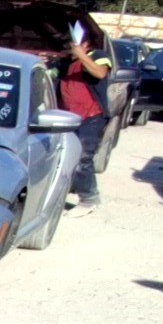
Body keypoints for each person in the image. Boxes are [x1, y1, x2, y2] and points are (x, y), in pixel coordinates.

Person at [59, 34, 111, 215]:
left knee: (82, 159)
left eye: (75, 42)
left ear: (86, 43)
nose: (71, 46)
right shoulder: (65, 62)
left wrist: (82, 55)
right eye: (69, 43)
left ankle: (89, 200)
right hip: (67, 117)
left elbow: (100, 72)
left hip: (91, 116)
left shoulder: (98, 55)